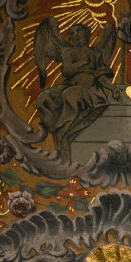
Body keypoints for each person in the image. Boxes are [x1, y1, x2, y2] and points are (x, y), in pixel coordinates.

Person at [35, 21, 116, 160]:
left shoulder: (95, 53)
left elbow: (99, 75)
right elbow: (67, 70)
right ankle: (57, 129)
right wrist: (82, 64)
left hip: (89, 90)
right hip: (68, 85)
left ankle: (63, 131)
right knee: (44, 98)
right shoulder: (68, 52)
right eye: (72, 33)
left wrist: (112, 89)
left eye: (79, 31)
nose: (75, 35)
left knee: (71, 94)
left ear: (87, 34)